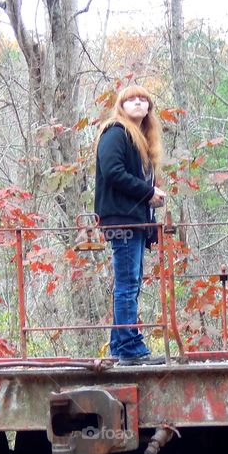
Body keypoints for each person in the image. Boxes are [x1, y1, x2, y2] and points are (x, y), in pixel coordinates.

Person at [94, 85, 167, 366]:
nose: (138, 103)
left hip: (134, 220)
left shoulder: (141, 138)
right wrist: (147, 193)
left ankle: (120, 345)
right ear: (121, 106)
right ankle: (129, 346)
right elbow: (113, 172)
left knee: (130, 282)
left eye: (143, 100)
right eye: (131, 100)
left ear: (148, 108)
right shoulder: (116, 132)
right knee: (127, 283)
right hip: (122, 220)